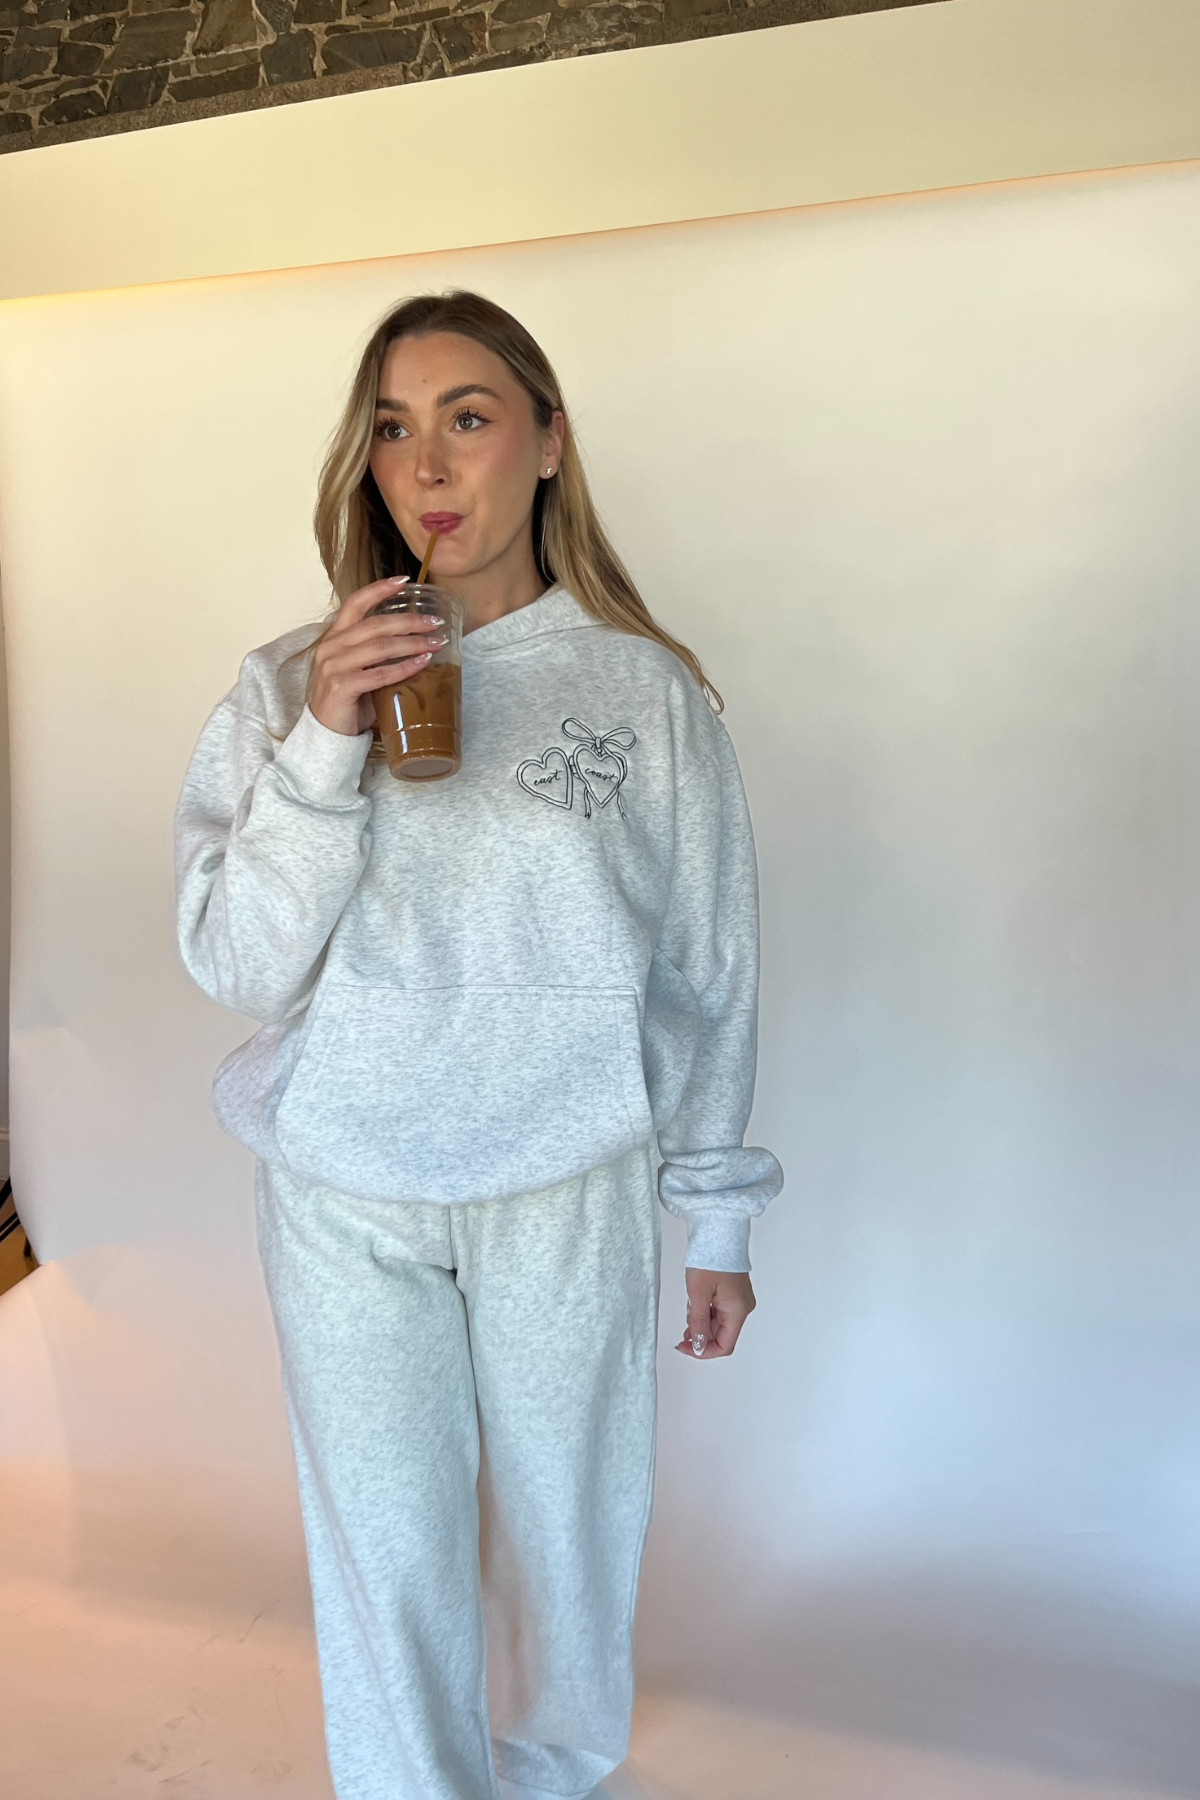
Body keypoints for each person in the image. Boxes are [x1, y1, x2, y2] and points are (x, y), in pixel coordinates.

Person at [174, 290, 783, 1800]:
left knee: (573, 1527)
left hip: (563, 1176)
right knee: (387, 1548)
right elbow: (240, 967)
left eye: (469, 416)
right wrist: (327, 738)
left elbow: (708, 971)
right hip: (344, 1184)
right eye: (394, 428)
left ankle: (555, 1769)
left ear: (549, 442)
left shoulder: (642, 691)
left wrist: (716, 1215)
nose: (429, 465)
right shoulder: (288, 682)